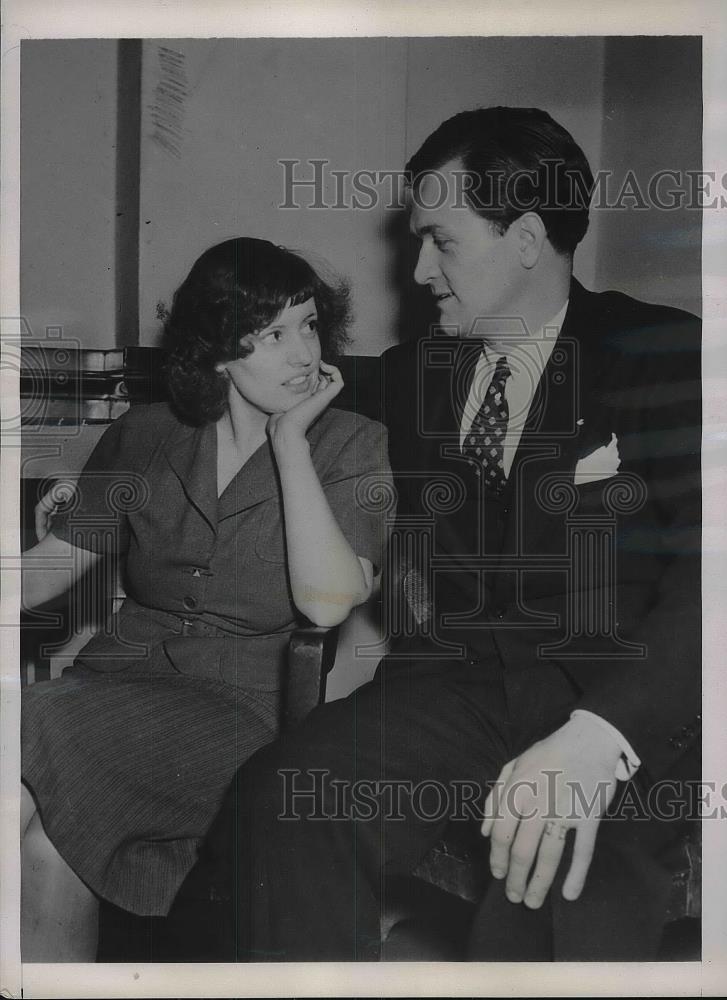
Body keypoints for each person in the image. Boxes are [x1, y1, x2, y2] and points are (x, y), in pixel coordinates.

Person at [198, 107, 701, 961]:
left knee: (555, 894)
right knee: (283, 797)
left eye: (442, 240)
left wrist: (598, 737)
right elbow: (264, 381)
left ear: (528, 237)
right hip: (455, 695)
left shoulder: (661, 352)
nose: (420, 268)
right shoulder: (410, 377)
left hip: (619, 706)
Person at [20, 236, 391, 961]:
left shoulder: (350, 444)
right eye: (269, 334)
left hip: (239, 717)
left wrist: (290, 444)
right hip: (110, 689)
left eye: (308, 325)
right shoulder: (147, 435)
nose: (301, 354)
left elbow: (326, 604)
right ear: (217, 348)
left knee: (26, 719)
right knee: (40, 845)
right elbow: (50, 566)